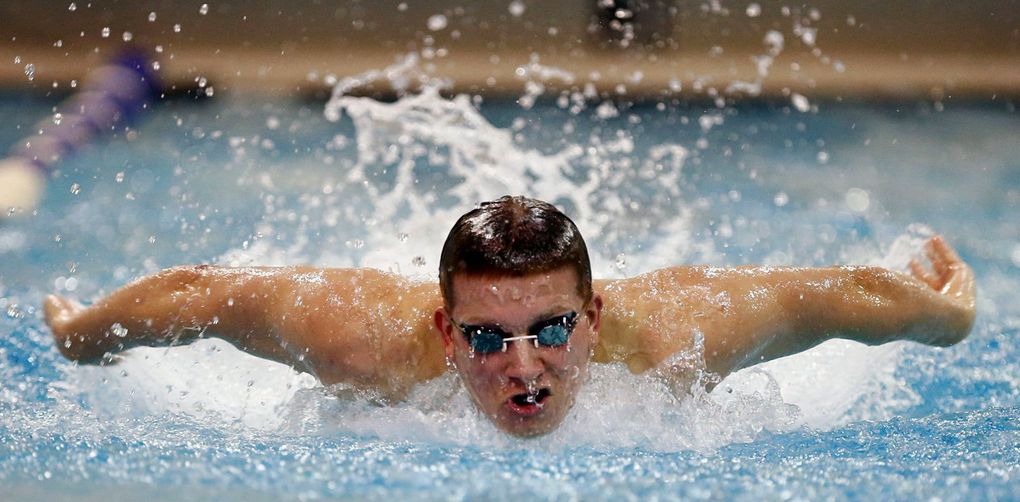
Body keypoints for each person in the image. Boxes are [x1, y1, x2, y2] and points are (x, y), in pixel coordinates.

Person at [43, 196, 976, 437]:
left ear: (596, 318)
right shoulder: (361, 343)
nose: (522, 367)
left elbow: (839, 295)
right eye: (487, 338)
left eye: (551, 329)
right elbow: (204, 295)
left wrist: (951, 321)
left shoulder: (680, 334)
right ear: (446, 334)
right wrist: (80, 338)